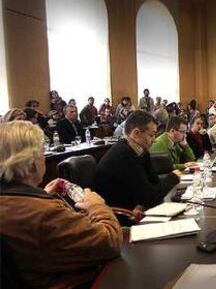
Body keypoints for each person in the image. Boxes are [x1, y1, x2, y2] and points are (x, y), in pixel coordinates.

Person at [0, 121, 122, 288]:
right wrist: (96, 205)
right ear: (32, 162)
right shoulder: (44, 214)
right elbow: (110, 241)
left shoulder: (12, 203)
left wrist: (42, 195)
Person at [94, 111, 182, 215]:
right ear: (136, 133)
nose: (154, 140)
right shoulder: (124, 154)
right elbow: (151, 198)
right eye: (152, 135)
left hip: (132, 209)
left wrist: (142, 203)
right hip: (117, 217)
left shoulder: (139, 151)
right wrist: (173, 177)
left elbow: (153, 184)